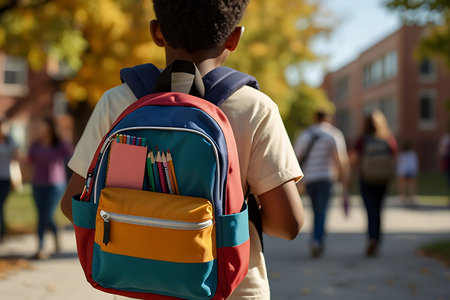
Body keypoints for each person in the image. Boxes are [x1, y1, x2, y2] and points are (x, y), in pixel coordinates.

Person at [60, 1, 305, 299]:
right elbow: (287, 224)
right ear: (235, 38)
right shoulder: (255, 107)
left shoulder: (117, 102)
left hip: (136, 282)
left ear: (157, 31)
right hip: (230, 288)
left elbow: (72, 205)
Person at [294, 110, 349, 258]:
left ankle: (316, 239)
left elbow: (296, 158)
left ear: (315, 118)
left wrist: (297, 182)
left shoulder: (305, 134)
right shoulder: (334, 134)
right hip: (326, 178)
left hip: (309, 179)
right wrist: (344, 180)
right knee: (322, 210)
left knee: (315, 209)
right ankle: (317, 240)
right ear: (328, 119)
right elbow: (340, 159)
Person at [350, 110, 397, 257]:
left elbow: (353, 158)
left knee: (371, 210)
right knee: (379, 209)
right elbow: (395, 155)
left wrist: (353, 173)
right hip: (383, 179)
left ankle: (371, 238)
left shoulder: (362, 139)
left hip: (367, 179)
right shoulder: (387, 138)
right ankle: (377, 240)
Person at [28, 117, 73, 259]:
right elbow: (28, 160)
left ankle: (41, 248)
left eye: (42, 125)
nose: (40, 129)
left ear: (50, 127)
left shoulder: (60, 144)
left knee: (45, 215)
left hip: (55, 184)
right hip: (38, 183)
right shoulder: (35, 145)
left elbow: (73, 156)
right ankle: (54, 232)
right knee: (42, 214)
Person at [0, 117, 19, 243]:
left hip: (6, 178)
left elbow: (16, 160)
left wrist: (17, 178)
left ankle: (2, 233)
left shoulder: (10, 142)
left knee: (0, 205)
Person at [396, 141, 419, 207]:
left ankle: (403, 197)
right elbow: (415, 163)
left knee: (403, 185)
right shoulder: (412, 154)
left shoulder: (401, 154)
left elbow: (399, 163)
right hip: (411, 170)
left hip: (402, 170)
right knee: (411, 185)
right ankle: (412, 198)